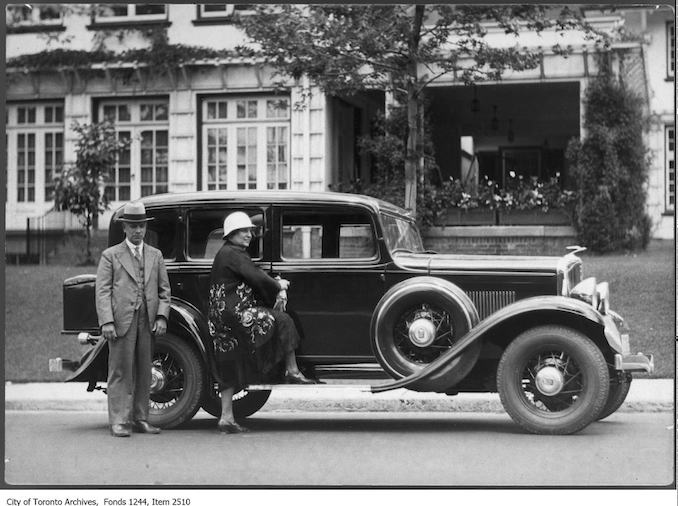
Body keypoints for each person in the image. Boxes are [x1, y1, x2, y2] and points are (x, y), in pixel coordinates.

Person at [208, 211, 317, 434]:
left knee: (228, 361)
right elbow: (256, 277)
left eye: (249, 231)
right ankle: (292, 370)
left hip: (221, 318)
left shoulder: (226, 253)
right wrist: (279, 286)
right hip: (237, 315)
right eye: (244, 231)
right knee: (284, 319)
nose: (249, 235)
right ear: (232, 234)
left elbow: (251, 276)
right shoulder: (234, 253)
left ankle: (226, 417)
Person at [95, 201, 171, 437]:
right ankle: (119, 420)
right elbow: (103, 291)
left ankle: (140, 418)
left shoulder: (155, 255)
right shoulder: (111, 256)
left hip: (147, 320)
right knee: (120, 371)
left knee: (144, 371)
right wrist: (107, 321)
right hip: (121, 321)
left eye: (141, 226)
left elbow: (164, 291)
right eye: (133, 226)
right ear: (125, 228)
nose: (138, 231)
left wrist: (161, 317)